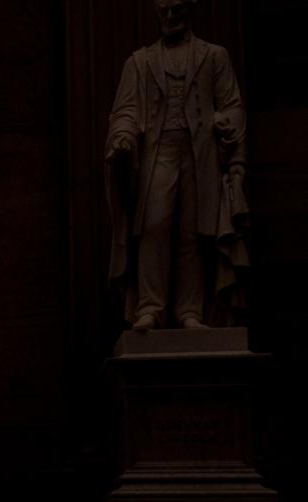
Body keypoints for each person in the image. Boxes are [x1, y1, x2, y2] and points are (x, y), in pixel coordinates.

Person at [106, 0, 247, 331]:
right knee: (154, 226)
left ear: (190, 11)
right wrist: (122, 138)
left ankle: (190, 311)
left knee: (192, 232)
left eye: (178, 10)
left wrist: (226, 121)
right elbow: (125, 111)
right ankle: (150, 307)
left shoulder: (214, 56)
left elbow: (232, 104)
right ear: (156, 12)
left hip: (200, 156)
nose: (171, 17)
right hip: (159, 153)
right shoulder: (139, 63)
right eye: (165, 10)